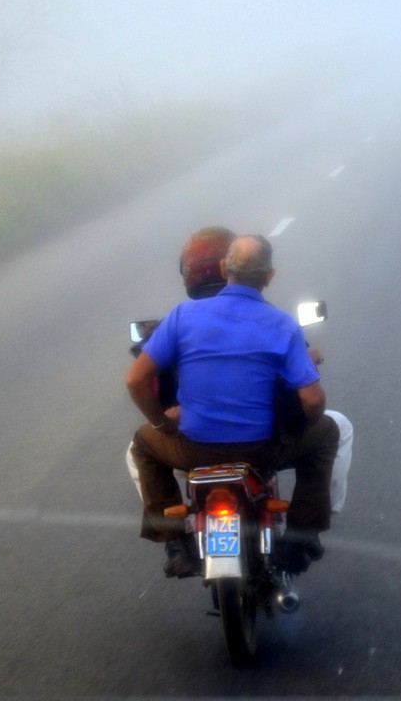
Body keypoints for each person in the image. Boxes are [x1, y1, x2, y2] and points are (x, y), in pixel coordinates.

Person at [127, 235, 340, 578]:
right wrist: (301, 425)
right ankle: (301, 537)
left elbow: (136, 380)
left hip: (195, 450)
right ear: (270, 276)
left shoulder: (182, 316)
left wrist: (163, 424)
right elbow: (312, 399)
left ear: (225, 268)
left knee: (143, 443)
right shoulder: (283, 325)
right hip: (263, 451)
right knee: (328, 433)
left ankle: (175, 542)